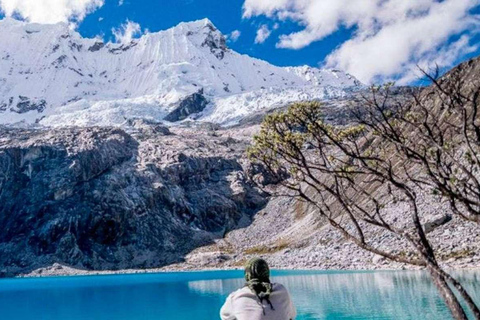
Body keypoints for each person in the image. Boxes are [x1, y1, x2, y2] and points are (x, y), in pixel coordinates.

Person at [220, 258, 296, 320]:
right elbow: (292, 315)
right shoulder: (281, 290)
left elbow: (225, 316)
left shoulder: (235, 297)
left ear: (247, 275)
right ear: (267, 272)